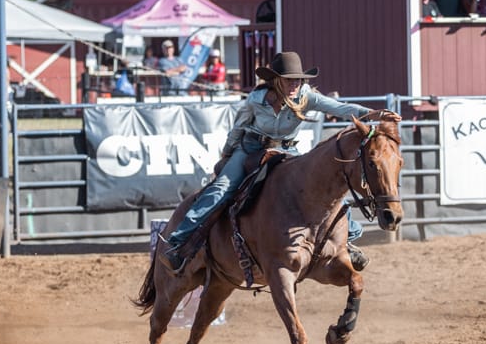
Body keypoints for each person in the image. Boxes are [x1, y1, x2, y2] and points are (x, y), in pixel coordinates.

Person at [158, 50, 373, 274]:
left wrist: (374, 114)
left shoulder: (306, 97)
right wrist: (228, 154)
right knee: (221, 188)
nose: (295, 84)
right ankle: (177, 243)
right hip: (251, 148)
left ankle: (347, 236)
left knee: (317, 183)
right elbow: (238, 128)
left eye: (298, 80)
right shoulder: (256, 100)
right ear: (277, 81)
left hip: (286, 149)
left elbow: (341, 108)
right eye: (290, 80)